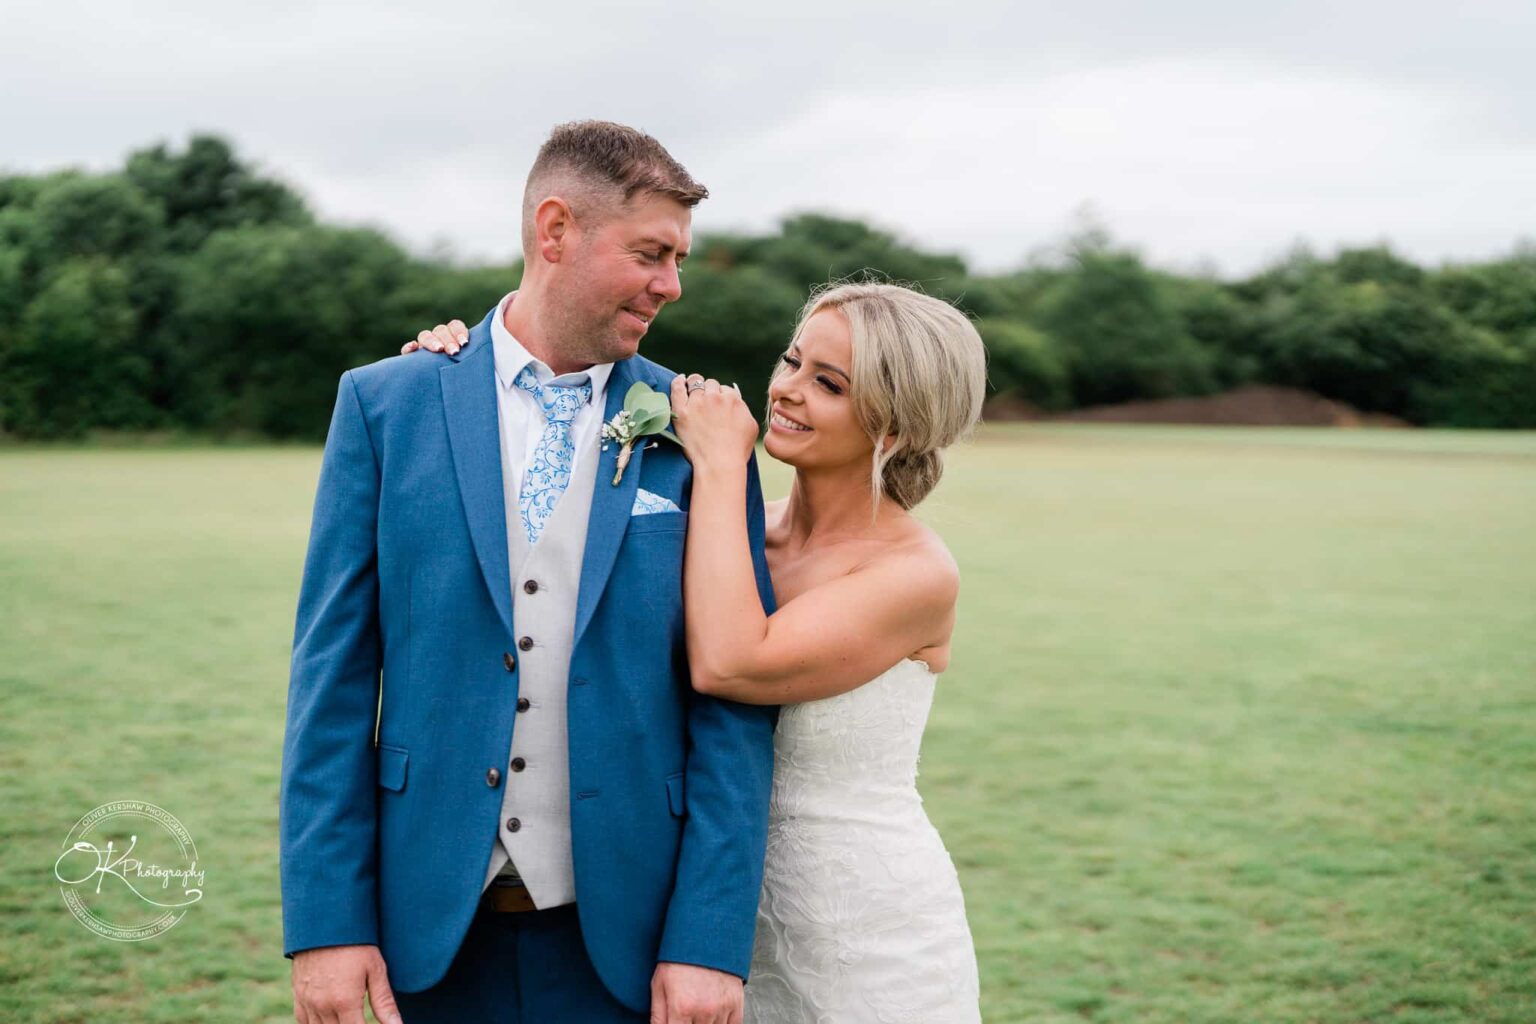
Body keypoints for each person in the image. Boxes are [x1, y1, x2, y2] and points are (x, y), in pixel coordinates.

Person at [279, 120, 778, 1024]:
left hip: (625, 943)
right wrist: (325, 925)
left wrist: (706, 942)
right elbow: (332, 682)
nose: (672, 284)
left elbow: (734, 709)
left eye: (679, 260)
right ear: (556, 231)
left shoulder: (700, 433)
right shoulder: (385, 405)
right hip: (417, 938)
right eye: (651, 253)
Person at [406, 279, 987, 1021]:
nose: (788, 390)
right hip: (688, 912)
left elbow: (730, 663)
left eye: (829, 384)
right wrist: (465, 370)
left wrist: (718, 465)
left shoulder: (913, 574)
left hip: (858, 933)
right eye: (792, 360)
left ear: (896, 429)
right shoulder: (742, 532)